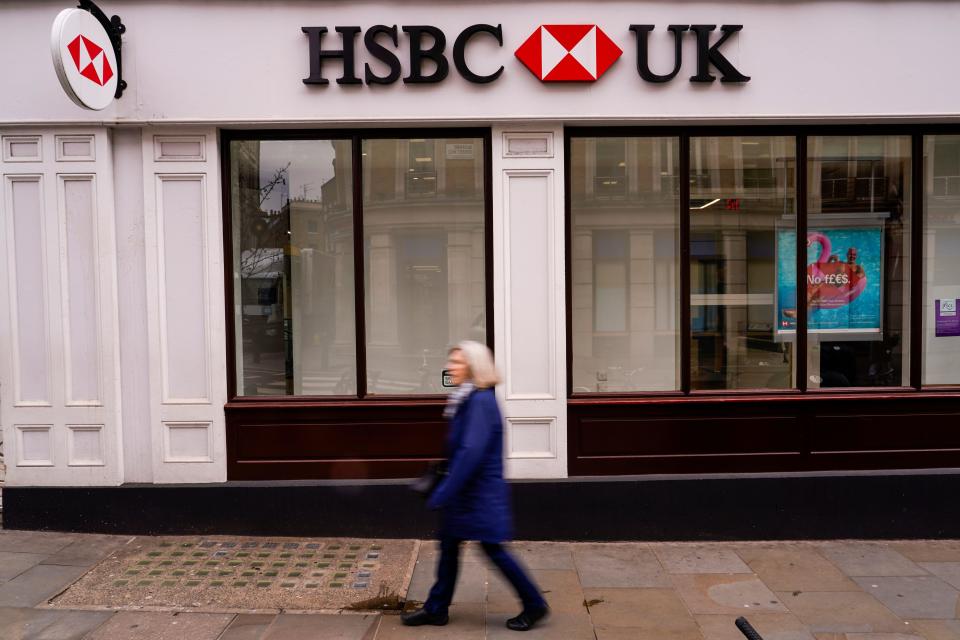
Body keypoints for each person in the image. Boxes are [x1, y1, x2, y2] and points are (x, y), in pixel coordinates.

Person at [402, 340, 549, 632]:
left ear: (472, 367)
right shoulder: (467, 398)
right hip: (467, 494)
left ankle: (534, 604)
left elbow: (470, 453)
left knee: (494, 550)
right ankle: (436, 609)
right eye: (451, 361)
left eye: (457, 362)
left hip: (479, 495)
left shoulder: (480, 401)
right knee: (448, 546)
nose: (450, 367)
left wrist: (443, 492)